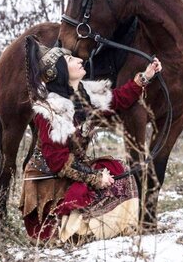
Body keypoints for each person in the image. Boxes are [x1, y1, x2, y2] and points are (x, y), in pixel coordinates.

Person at [19, 35, 162, 246]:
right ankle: (65, 230)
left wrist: (144, 77)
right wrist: (95, 178)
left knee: (118, 172)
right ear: (59, 74)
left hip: (74, 171)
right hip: (51, 182)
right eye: (70, 61)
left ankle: (93, 226)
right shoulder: (51, 112)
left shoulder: (84, 96)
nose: (78, 60)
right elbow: (59, 163)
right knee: (100, 182)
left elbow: (117, 99)